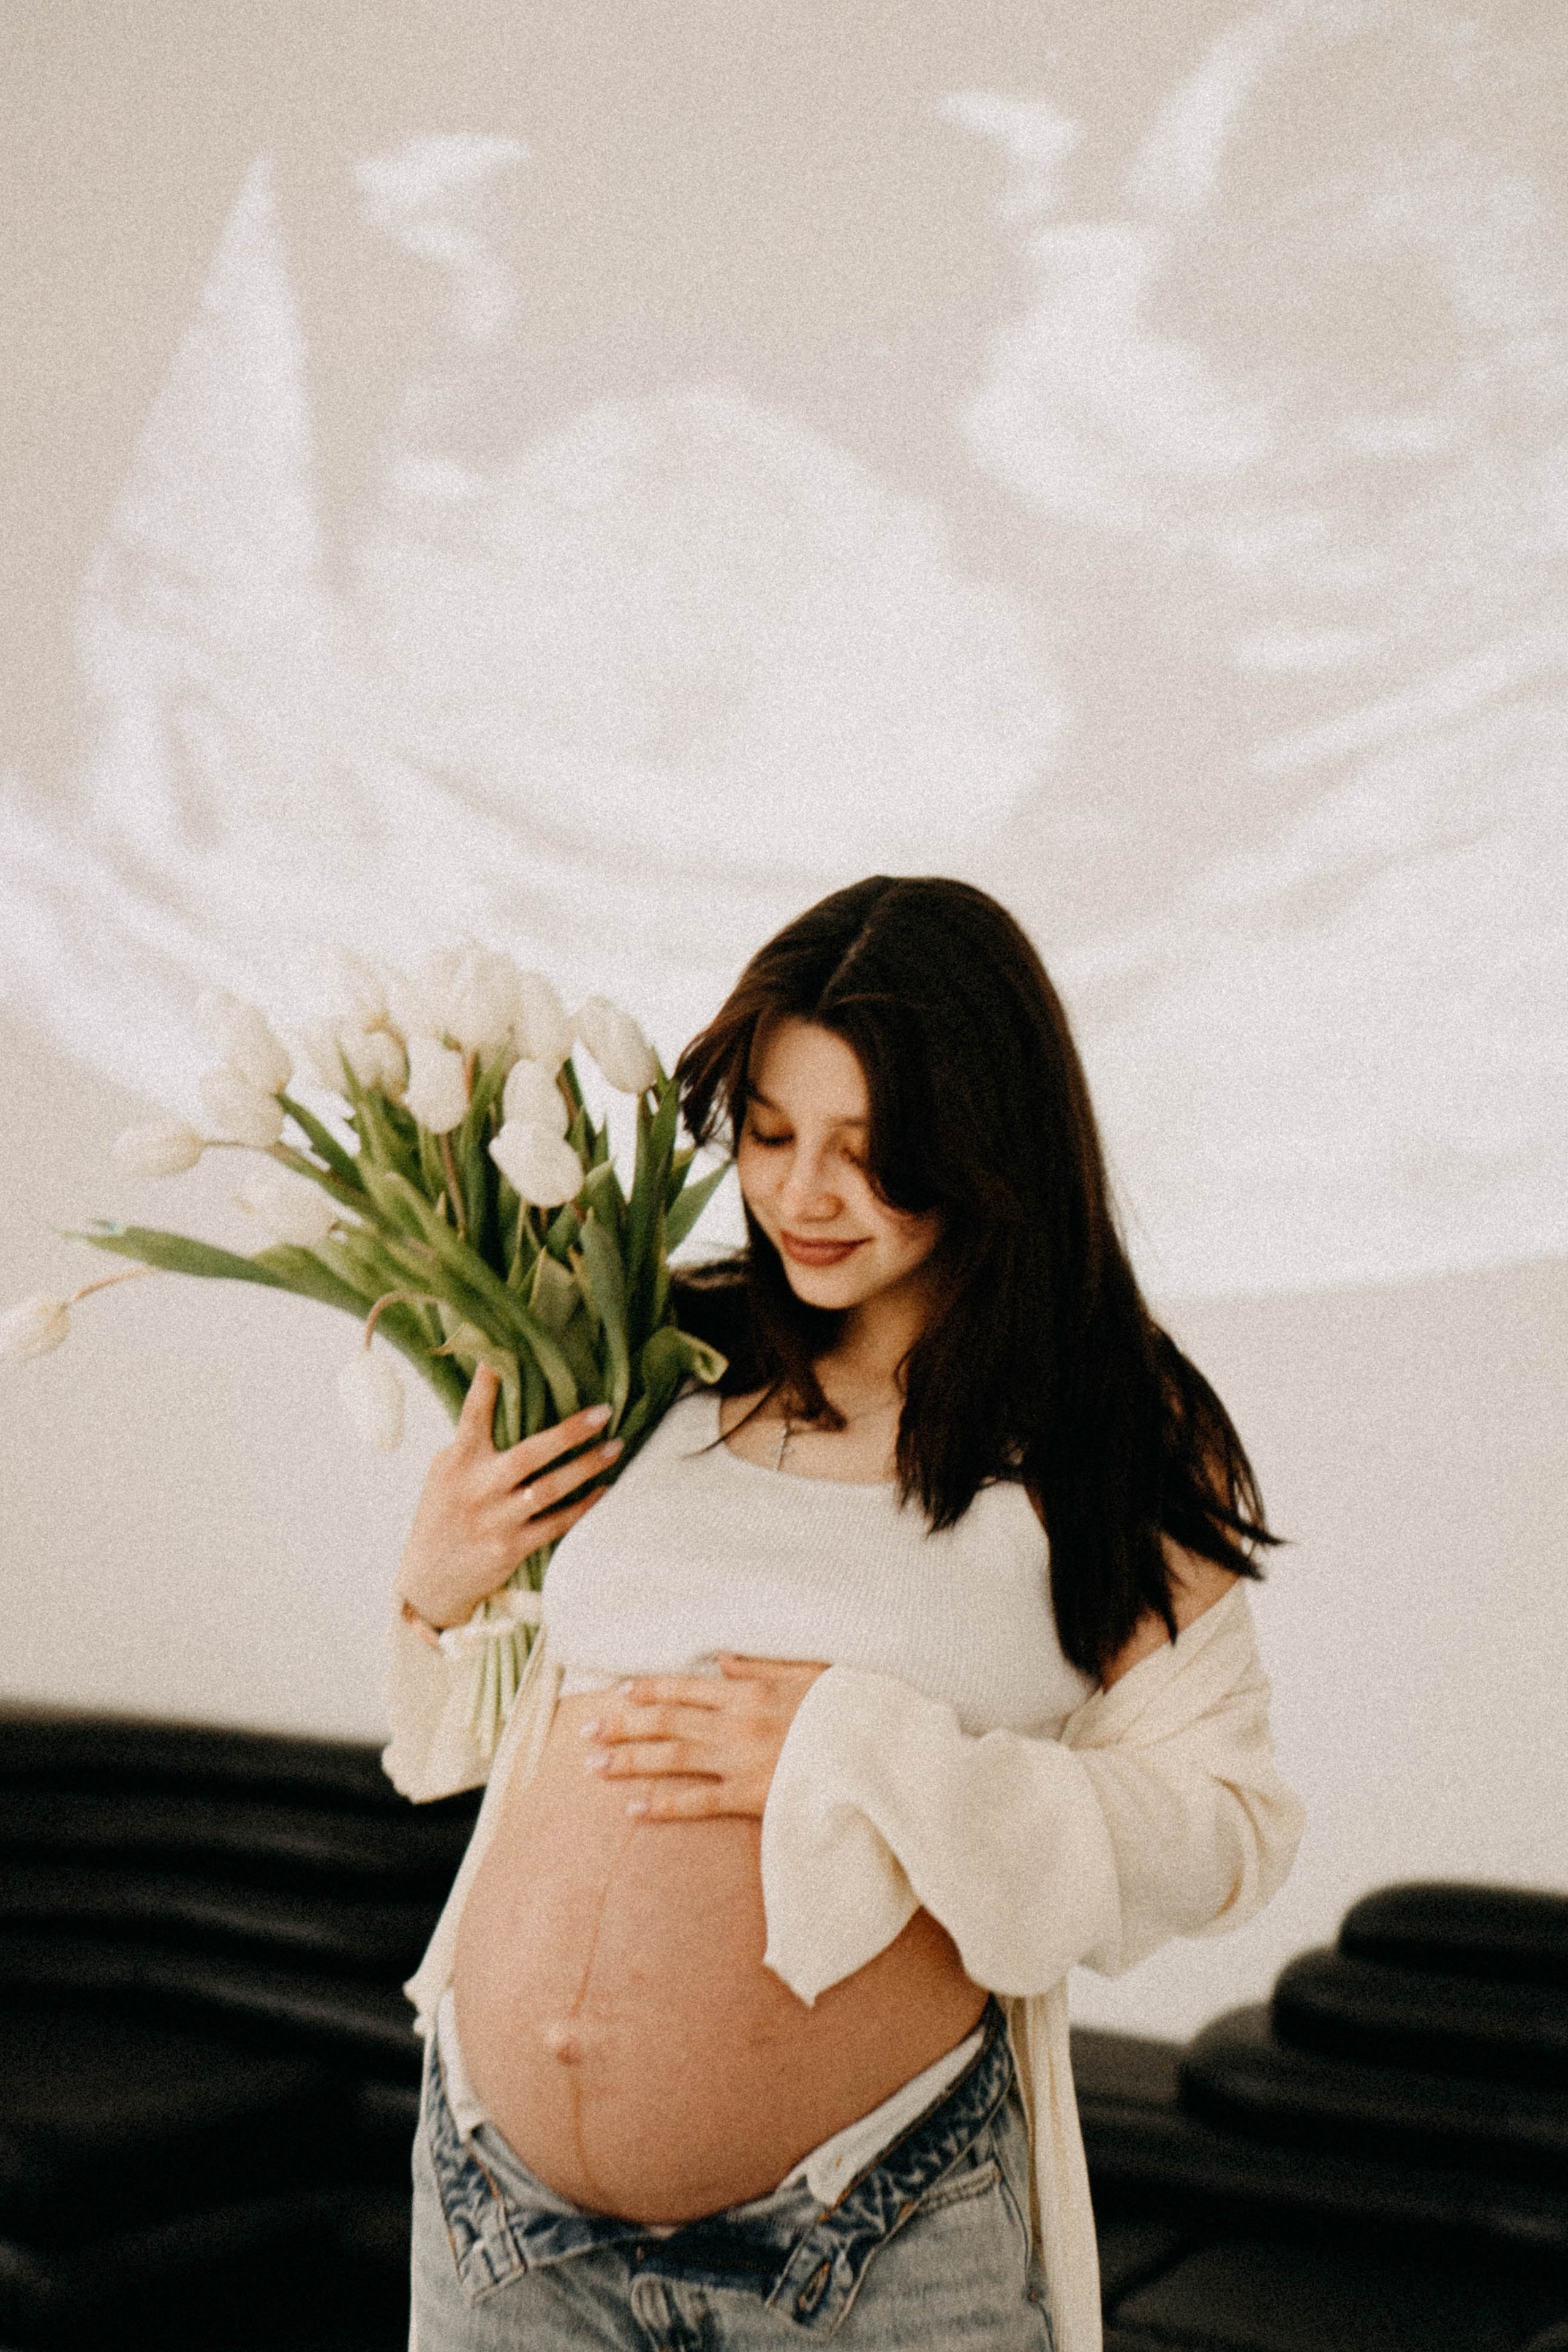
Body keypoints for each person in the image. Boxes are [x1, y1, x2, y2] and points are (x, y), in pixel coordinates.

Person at [385, 875, 1304, 2352]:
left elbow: (1224, 1830)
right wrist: (438, 1597)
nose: (801, 1198)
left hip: (863, 2243)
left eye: (868, 1158)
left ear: (989, 1153)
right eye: (767, 1136)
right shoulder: (657, 1350)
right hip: (500, 2222)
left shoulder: (1101, 1432)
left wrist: (857, 1747)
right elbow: (503, 1740)